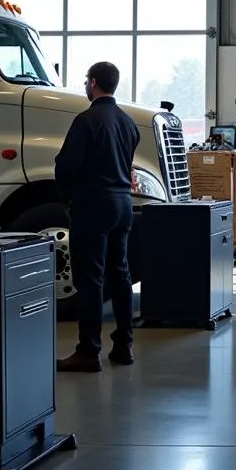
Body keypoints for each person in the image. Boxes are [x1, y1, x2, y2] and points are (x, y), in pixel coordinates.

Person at [54, 61, 140, 371]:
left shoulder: (86, 120)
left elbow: (64, 167)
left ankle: (89, 351)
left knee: (90, 279)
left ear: (92, 83)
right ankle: (124, 346)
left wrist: (67, 199)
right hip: (123, 205)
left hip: (93, 205)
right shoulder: (128, 123)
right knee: (121, 275)